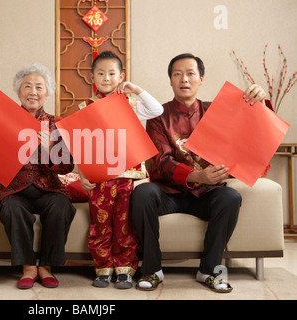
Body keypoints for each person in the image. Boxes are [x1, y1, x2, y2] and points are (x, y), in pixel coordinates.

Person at [132, 53, 268, 293]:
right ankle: (152, 269)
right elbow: (161, 162)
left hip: (207, 194)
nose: (184, 79)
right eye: (177, 74)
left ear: (201, 79)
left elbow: (253, 128)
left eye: (190, 73)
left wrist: (260, 99)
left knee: (231, 197)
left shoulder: (218, 111)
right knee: (142, 193)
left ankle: (210, 270)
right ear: (171, 81)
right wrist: (197, 176)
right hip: (169, 193)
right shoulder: (157, 116)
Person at [78, 51, 163, 289]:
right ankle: (103, 269)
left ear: (121, 76)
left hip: (128, 176)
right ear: (92, 77)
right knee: (100, 225)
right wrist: (83, 174)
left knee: (125, 226)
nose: (106, 78)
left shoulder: (132, 105)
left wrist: (135, 89)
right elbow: (81, 144)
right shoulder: (86, 107)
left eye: (112, 73)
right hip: (100, 178)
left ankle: (125, 269)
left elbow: (157, 110)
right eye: (101, 73)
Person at [0, 63, 76, 289]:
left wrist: (51, 148)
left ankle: (46, 267)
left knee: (62, 206)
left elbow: (67, 167)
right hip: (13, 189)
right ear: (18, 91)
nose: (33, 92)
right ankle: (28, 267)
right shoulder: (3, 120)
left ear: (47, 93)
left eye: (39, 87)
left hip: (48, 188)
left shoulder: (57, 123)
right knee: (11, 208)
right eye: (27, 86)